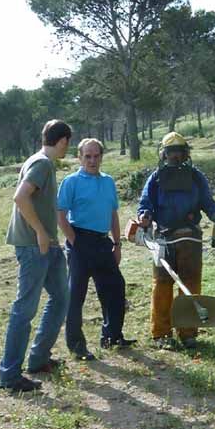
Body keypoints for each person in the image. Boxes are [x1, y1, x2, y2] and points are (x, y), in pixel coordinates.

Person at [0, 119, 72, 392]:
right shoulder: (41, 163)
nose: (68, 148)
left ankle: (39, 358)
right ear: (62, 140)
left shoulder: (41, 161)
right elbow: (20, 197)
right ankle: (9, 376)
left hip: (49, 246)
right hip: (33, 246)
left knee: (61, 296)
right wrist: (40, 232)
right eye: (68, 143)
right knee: (25, 309)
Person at [137, 132, 215, 350]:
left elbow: (207, 200)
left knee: (191, 284)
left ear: (186, 154)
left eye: (179, 152)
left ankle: (188, 333)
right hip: (164, 239)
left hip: (190, 238)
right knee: (162, 286)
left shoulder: (196, 177)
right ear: (164, 154)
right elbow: (145, 202)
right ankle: (161, 334)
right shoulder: (156, 178)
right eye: (171, 152)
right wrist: (145, 215)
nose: (175, 156)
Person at [57, 138, 136, 361]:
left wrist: (117, 244)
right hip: (79, 240)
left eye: (96, 156)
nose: (92, 160)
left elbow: (112, 214)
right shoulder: (71, 182)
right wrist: (74, 242)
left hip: (103, 243)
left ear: (102, 157)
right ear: (80, 158)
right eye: (87, 156)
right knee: (76, 295)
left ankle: (112, 336)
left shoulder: (108, 182)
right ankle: (77, 345)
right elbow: (60, 214)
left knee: (115, 287)